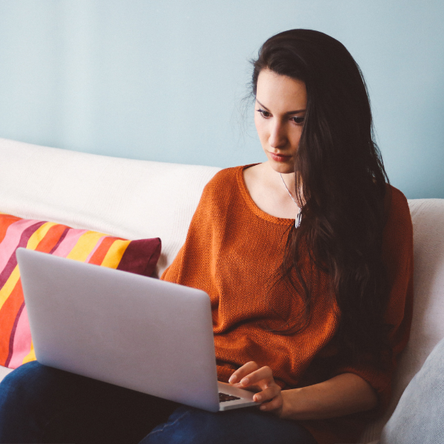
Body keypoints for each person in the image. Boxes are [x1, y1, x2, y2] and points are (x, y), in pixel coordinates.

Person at [0, 29, 413, 444]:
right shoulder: (225, 192)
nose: (275, 139)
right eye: (264, 113)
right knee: (30, 384)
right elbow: (168, 314)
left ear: (335, 119)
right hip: (195, 390)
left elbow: (370, 376)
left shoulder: (380, 212)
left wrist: (284, 401)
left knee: (191, 438)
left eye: (297, 119)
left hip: (288, 415)